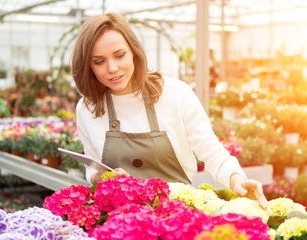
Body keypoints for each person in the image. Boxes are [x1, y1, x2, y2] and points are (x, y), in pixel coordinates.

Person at [71, 13, 267, 209]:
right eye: (99, 61)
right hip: (121, 221)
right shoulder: (88, 108)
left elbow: (212, 151)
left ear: (134, 51)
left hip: (177, 217)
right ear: (89, 66)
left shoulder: (175, 94)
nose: (112, 68)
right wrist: (100, 176)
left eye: (119, 55)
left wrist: (237, 179)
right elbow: (92, 165)